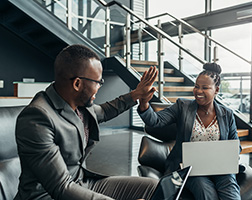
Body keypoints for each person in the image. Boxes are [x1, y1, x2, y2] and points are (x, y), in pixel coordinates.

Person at [14, 44, 158, 200]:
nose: (99, 87)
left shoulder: (79, 104)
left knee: (153, 187)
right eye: (98, 82)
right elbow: (62, 187)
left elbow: (104, 111)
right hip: (49, 195)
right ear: (77, 84)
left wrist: (136, 94)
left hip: (81, 183)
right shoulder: (37, 118)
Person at [138, 63, 241, 200]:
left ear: (216, 90)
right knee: (205, 192)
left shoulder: (226, 114)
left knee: (231, 193)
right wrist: (144, 103)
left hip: (219, 168)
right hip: (190, 168)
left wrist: (228, 155)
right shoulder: (183, 107)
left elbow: (235, 145)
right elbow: (155, 121)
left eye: (205, 88)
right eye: (196, 86)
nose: (198, 91)